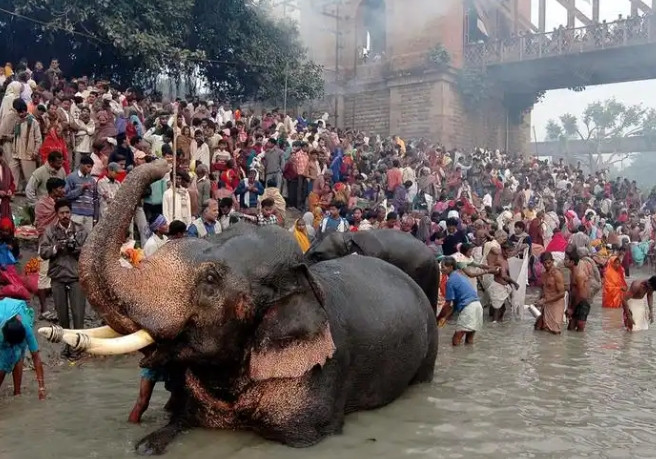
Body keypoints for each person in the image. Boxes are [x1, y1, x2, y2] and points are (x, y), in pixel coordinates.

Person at [39, 200, 89, 358]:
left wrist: (76, 249)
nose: (65, 215)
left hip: (76, 276)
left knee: (78, 314)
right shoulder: (50, 231)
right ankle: (67, 346)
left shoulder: (80, 230)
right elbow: (43, 252)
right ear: (57, 214)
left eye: (67, 212)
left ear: (71, 212)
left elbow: (89, 252)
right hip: (58, 276)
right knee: (62, 315)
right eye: (62, 213)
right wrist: (56, 248)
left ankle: (79, 347)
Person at [0, 298, 46, 399]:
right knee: (3, 362)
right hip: (3, 318)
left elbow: (36, 356)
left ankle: (17, 393)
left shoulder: (26, 329)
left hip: (18, 314)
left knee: (18, 354)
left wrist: (41, 387)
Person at [34, 177, 66, 319]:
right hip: (46, 244)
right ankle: (44, 311)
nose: (63, 191)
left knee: (57, 277)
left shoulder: (59, 206)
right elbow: (41, 225)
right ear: (54, 189)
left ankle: (56, 310)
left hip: (58, 244)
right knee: (43, 277)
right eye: (60, 188)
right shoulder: (42, 204)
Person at [436, 256, 484, 346]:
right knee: (469, 340)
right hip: (477, 306)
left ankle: (456, 358)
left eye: (443, 267)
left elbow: (447, 304)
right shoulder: (460, 276)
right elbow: (454, 305)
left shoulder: (450, 281)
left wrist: (438, 318)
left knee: (456, 339)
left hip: (469, 308)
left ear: (450, 267)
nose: (441, 269)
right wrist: (445, 318)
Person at [535, 252, 566, 334]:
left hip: (556, 305)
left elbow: (562, 294)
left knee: (555, 331)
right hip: (546, 304)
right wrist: (539, 301)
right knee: (538, 328)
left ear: (553, 261)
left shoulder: (557, 274)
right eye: (545, 263)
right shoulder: (543, 275)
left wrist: (545, 301)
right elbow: (544, 290)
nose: (547, 265)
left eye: (549, 263)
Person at [64, 155, 96, 233]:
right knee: (74, 236)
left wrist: (95, 216)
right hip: (76, 213)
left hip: (89, 215)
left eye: (91, 167)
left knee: (88, 239)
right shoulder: (71, 178)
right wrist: (81, 189)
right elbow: (67, 195)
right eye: (88, 166)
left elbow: (95, 199)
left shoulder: (92, 180)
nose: (90, 169)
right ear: (81, 164)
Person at [565, 250, 590, 332]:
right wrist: (569, 306)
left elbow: (581, 295)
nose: (564, 261)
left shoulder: (579, 275)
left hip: (582, 303)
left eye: (566, 259)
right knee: (570, 328)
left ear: (572, 261)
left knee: (580, 326)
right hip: (575, 302)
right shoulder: (571, 273)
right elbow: (572, 291)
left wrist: (572, 309)